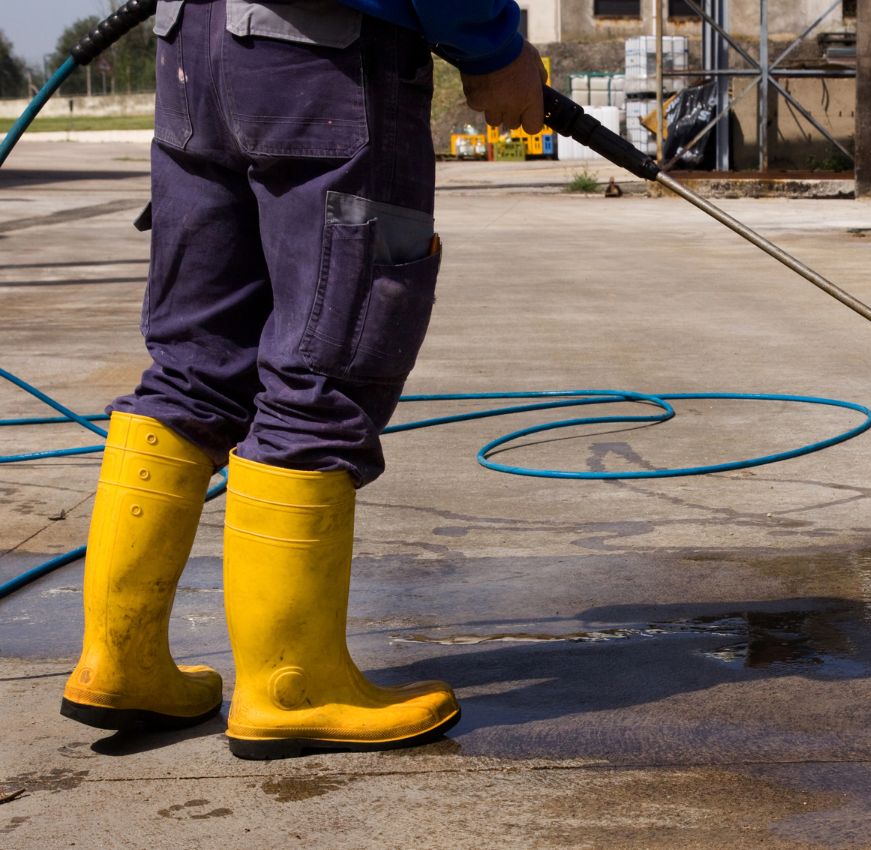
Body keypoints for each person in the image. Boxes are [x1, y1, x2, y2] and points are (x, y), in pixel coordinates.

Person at [58, 0, 545, 760]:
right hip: (329, 59)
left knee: (193, 369)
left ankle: (119, 660)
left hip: (192, 41)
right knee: (331, 361)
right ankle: (293, 687)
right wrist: (494, 45)